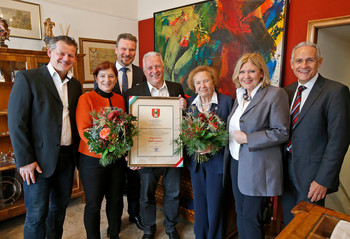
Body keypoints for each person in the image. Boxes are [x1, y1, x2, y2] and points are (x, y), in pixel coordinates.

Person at [7, 35, 82, 239]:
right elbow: (16, 122)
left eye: (71, 55)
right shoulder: (28, 78)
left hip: (66, 159)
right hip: (36, 162)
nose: (66, 58)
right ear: (50, 53)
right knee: (36, 215)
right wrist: (26, 161)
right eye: (61, 53)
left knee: (59, 211)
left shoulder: (75, 85)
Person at [282, 42, 350, 225]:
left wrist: (323, 180)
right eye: (299, 61)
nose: (304, 66)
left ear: (319, 61)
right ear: (291, 64)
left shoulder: (336, 92)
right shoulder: (286, 92)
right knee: (289, 223)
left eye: (310, 60)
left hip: (313, 176)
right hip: (285, 170)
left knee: (306, 225)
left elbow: (339, 140)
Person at [223, 52, 290, 239]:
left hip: (257, 168)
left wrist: (249, 139)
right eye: (242, 71)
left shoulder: (275, 94)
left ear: (261, 73)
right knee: (241, 213)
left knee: (252, 217)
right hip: (236, 163)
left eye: (252, 71)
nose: (246, 76)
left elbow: (282, 132)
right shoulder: (241, 95)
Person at [126, 52, 186, 239]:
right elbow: (128, 126)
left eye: (158, 66)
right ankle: (148, 228)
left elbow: (182, 119)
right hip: (146, 153)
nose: (154, 71)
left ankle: (170, 227)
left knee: (173, 193)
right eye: (150, 67)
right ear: (144, 70)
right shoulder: (132, 93)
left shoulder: (177, 88)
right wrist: (130, 153)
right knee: (146, 195)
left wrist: (185, 105)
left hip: (172, 151)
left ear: (164, 67)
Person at [95, 33, 146, 230]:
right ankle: (114, 222)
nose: (127, 53)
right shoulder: (105, 72)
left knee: (134, 181)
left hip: (134, 136)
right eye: (123, 49)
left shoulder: (142, 73)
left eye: (132, 49)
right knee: (114, 185)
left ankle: (135, 214)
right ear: (116, 49)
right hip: (113, 139)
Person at [76, 61, 126, 239]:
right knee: (93, 203)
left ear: (116, 79)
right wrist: (106, 143)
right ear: (96, 78)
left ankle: (114, 233)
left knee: (116, 199)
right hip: (92, 159)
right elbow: (84, 131)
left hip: (117, 158)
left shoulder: (120, 99)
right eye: (102, 76)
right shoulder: (86, 98)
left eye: (111, 76)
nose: (107, 80)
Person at [185, 66, 233, 239]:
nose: (202, 85)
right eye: (198, 82)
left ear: (213, 81)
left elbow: (232, 133)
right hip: (196, 164)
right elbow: (184, 131)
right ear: (193, 85)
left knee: (215, 204)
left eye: (206, 80)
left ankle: (215, 236)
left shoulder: (227, 102)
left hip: (217, 162)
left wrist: (214, 147)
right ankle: (201, 235)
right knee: (200, 204)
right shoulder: (189, 103)